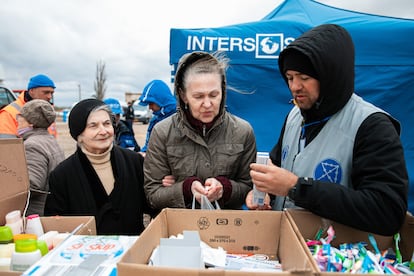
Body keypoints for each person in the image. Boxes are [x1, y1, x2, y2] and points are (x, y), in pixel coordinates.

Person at [247, 24, 408, 236]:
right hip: (285, 250)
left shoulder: (372, 126)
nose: (295, 86)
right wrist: (265, 192)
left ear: (330, 75)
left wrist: (296, 188)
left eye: (304, 78)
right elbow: (279, 164)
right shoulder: (295, 115)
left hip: (338, 260)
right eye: (290, 77)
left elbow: (387, 212)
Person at [143, 51, 257, 214]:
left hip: (227, 229)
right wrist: (186, 189)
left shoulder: (243, 131)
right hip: (179, 230)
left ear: (222, 91)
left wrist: (225, 188)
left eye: (214, 94)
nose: (207, 104)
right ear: (183, 96)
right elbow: (153, 195)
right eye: (198, 96)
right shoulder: (162, 133)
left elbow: (249, 188)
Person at [44, 98, 153, 235]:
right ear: (79, 134)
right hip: (86, 253)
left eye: (107, 124)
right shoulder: (62, 175)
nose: (103, 131)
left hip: (132, 250)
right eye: (93, 126)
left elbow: (153, 204)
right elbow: (56, 224)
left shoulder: (133, 162)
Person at [17, 99, 65, 216]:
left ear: (31, 122)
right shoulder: (49, 139)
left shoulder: (32, 145)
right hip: (51, 207)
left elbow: (32, 184)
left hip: (37, 212)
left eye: (21, 118)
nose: (18, 121)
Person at [0, 74, 57, 138]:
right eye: (46, 92)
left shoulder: (47, 112)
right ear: (32, 91)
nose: (49, 96)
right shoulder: (8, 113)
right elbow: (7, 145)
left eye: (52, 93)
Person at [138, 79, 176, 154]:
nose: (149, 107)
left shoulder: (181, 117)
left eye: (151, 103)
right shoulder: (154, 121)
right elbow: (148, 145)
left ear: (161, 100)